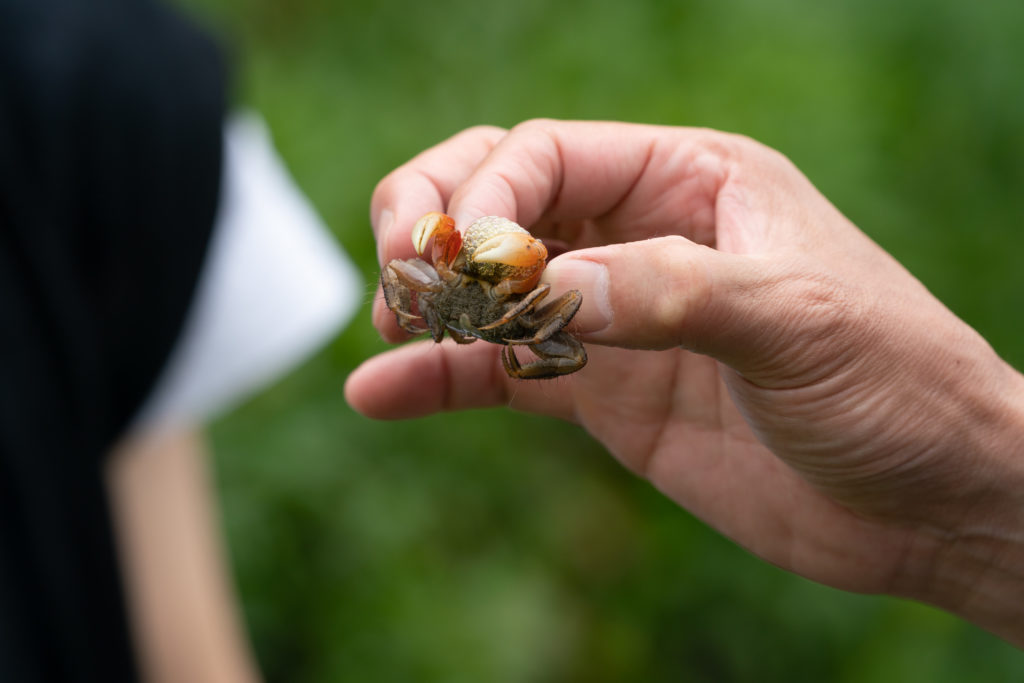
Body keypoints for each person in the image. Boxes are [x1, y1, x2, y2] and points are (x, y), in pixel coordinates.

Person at [345, 119, 1024, 648]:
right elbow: (409, 262)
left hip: (511, 310)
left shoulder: (522, 289)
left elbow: (567, 330)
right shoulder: (437, 273)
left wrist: (987, 474)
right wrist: (977, 509)